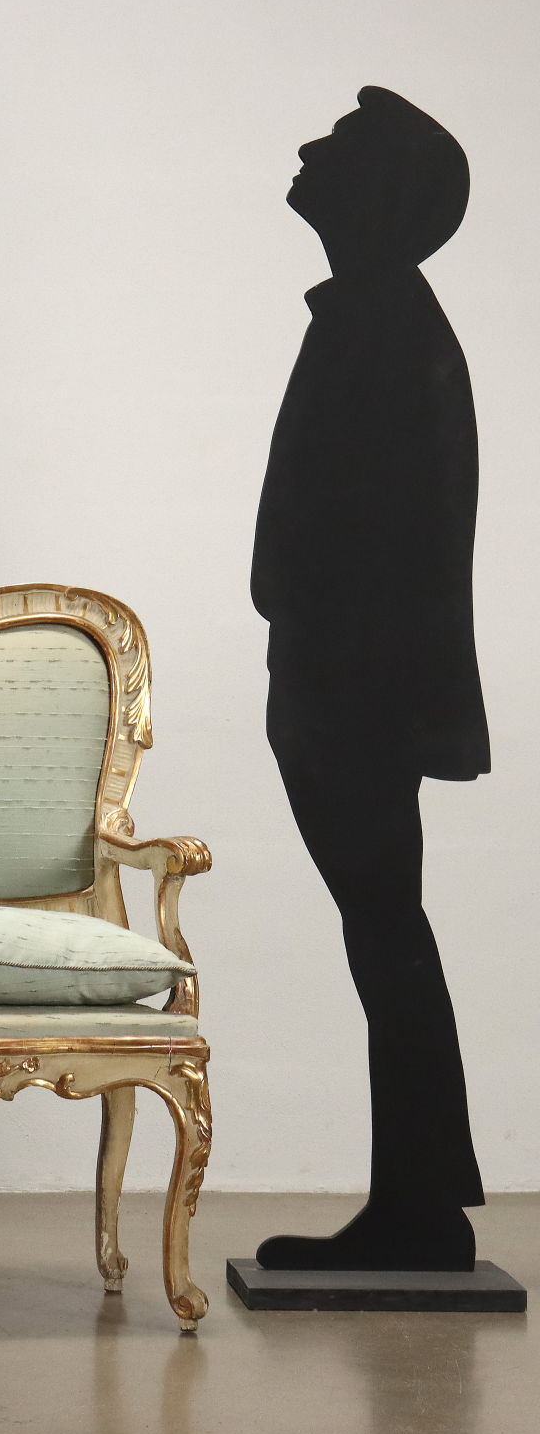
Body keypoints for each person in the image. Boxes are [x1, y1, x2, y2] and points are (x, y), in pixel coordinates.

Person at [250, 86, 488, 1271]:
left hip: (356, 692)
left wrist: (336, 669)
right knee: (386, 930)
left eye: (340, 146)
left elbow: (400, 537)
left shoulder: (384, 327)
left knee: (386, 930)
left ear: (381, 193)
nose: (309, 149)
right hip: (346, 683)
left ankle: (422, 1207)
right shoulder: (376, 319)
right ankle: (421, 1199)